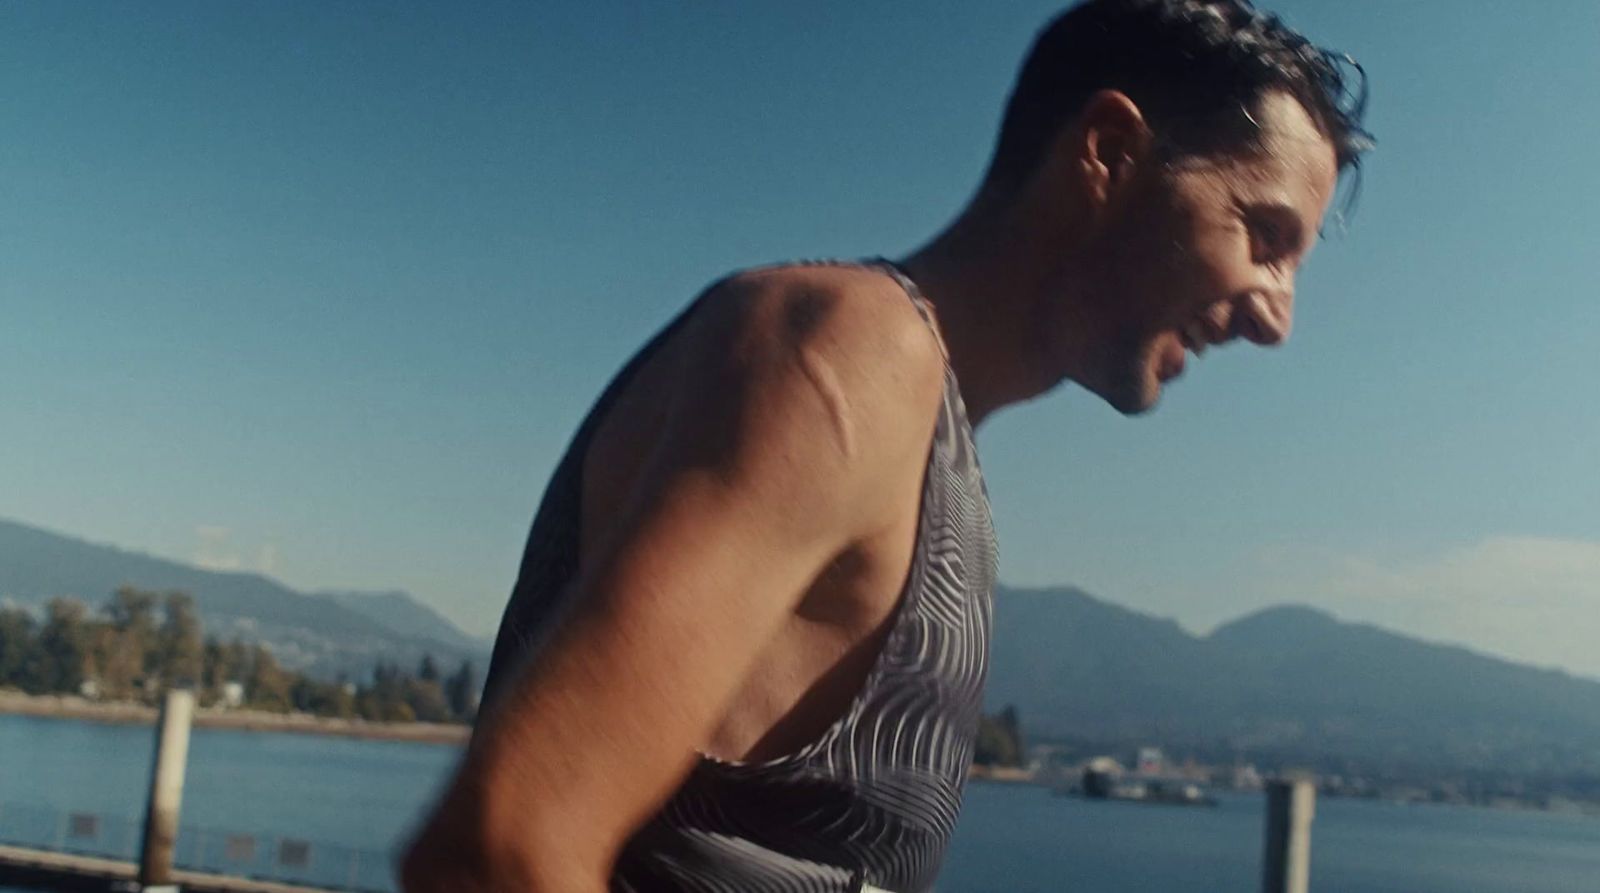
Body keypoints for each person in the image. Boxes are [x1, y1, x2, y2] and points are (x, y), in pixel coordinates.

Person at [401, 1, 1372, 890]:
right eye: (1263, 234)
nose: (1275, 317)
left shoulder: (926, 433)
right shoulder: (847, 355)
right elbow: (500, 845)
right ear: (1111, 151)